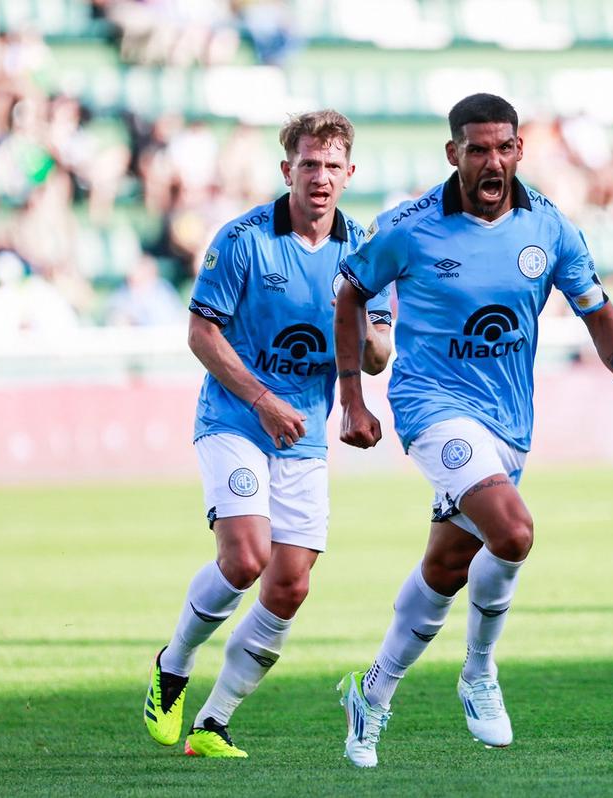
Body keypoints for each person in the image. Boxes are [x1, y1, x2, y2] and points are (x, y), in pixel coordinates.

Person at [332, 93, 613, 768]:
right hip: (430, 405)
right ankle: (480, 672)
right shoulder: (409, 226)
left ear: (520, 149)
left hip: (509, 423)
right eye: (478, 148)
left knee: (446, 568)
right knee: (514, 531)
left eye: (503, 147)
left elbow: (598, 314)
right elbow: (350, 292)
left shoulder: (548, 228)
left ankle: (371, 696)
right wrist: (354, 397)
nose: (492, 161)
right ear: (453, 153)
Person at [143, 110, 393, 758]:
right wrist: (260, 398)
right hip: (235, 418)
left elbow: (377, 352)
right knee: (247, 557)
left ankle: (213, 722)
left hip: (303, 434)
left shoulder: (363, 248)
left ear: (349, 174)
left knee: (290, 585)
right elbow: (201, 332)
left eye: (332, 166)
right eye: (309, 164)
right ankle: (172, 667)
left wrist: (369, 344)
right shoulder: (244, 239)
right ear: (287, 170)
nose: (320, 177)